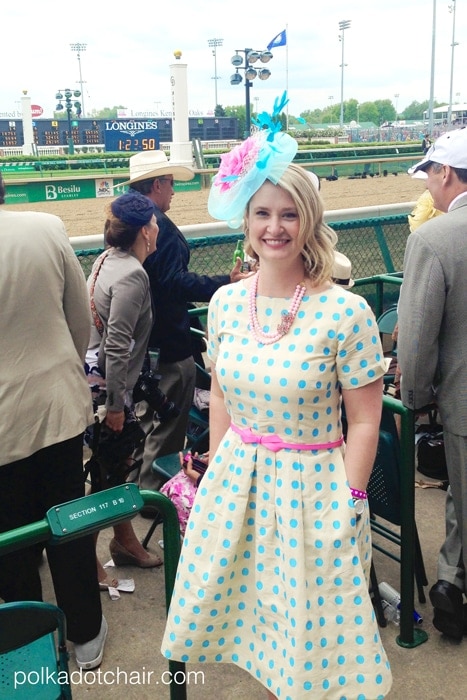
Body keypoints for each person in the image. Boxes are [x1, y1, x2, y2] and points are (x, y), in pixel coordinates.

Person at [161, 95, 392, 699]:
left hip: (315, 490)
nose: (274, 228)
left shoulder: (347, 312)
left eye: (289, 214)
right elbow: (223, 400)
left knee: (316, 646)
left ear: (309, 221)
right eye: (262, 212)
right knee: (259, 633)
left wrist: (350, 497)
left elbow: (365, 419)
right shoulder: (226, 304)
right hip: (240, 482)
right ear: (246, 219)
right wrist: (212, 474)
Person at [0, 170, 107, 670]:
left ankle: (32, 646)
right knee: (67, 524)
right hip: (57, 405)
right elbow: (79, 320)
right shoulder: (45, 226)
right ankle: (85, 634)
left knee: (13, 540)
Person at [119, 150, 251, 500]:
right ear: (158, 184)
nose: (174, 191)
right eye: (172, 184)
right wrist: (226, 283)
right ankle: (155, 500)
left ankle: (133, 491)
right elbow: (174, 283)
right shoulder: (157, 226)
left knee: (146, 424)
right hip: (167, 344)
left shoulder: (125, 220)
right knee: (167, 426)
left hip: (138, 342)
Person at [398, 127, 467, 640]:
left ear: (446, 173)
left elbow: (418, 338)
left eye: (430, 176)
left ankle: (451, 584)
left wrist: (414, 399)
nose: (429, 188)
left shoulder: (433, 237)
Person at [85, 191, 162, 583]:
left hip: (97, 385)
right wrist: (117, 405)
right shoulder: (133, 273)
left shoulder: (105, 260)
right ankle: (88, 555)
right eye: (154, 224)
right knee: (110, 476)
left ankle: (124, 540)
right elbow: (118, 344)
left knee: (112, 470)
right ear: (145, 232)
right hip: (112, 395)